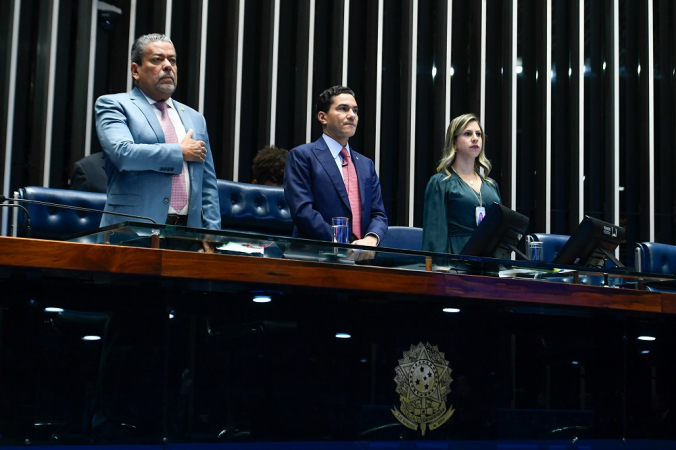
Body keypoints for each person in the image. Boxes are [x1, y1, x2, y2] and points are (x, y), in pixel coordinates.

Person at [94, 33, 220, 242]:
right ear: (135, 70)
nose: (168, 66)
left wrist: (211, 234)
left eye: (172, 60)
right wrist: (179, 152)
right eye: (157, 59)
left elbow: (207, 183)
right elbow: (123, 153)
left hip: (187, 237)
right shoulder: (114, 105)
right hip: (131, 233)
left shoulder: (195, 118)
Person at [284, 85, 388, 247]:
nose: (352, 115)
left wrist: (371, 239)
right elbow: (302, 211)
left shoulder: (366, 164)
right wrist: (340, 243)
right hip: (315, 255)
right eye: (343, 109)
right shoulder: (302, 156)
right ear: (322, 117)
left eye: (355, 110)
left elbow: (379, 214)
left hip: (362, 258)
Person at [422, 113, 501, 254]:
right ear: (454, 142)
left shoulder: (491, 185)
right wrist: (440, 269)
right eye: (467, 134)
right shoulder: (441, 183)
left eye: (478, 134)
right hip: (456, 261)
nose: (475, 138)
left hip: (489, 264)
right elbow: (435, 234)